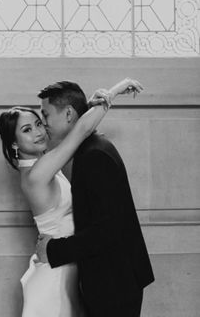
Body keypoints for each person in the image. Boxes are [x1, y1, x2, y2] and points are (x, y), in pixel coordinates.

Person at [0, 78, 142, 317]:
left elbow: (72, 124)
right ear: (14, 144)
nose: (39, 131)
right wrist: (113, 92)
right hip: (56, 272)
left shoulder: (44, 164)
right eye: (27, 130)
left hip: (70, 264)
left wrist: (82, 107)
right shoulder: (37, 173)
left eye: (39, 122)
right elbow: (80, 130)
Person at [36, 79, 155, 317]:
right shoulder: (92, 147)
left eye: (46, 115)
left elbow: (106, 231)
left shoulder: (94, 156)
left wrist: (53, 250)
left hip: (114, 283)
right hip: (113, 278)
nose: (43, 123)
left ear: (68, 113)